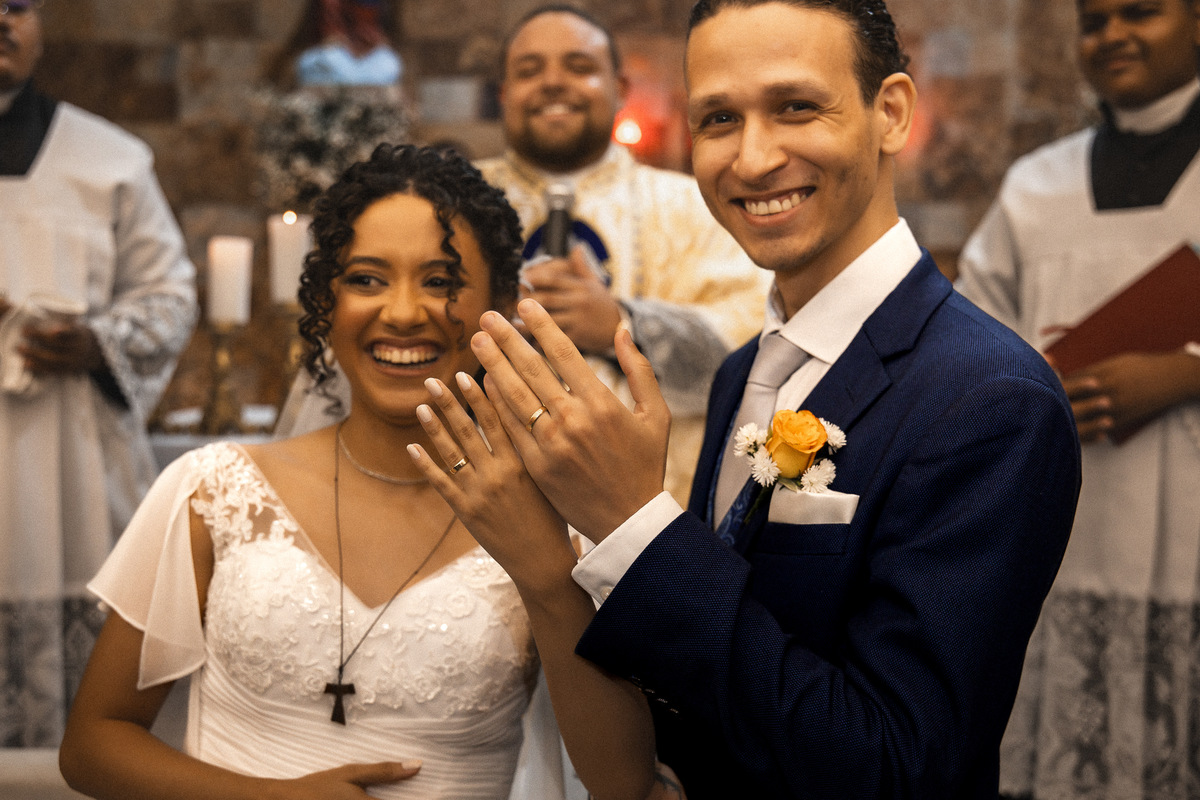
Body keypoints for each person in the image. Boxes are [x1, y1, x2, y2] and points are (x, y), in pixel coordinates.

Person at [409, 1, 1083, 798]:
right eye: (719, 119)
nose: (753, 159)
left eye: (796, 107)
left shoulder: (991, 401)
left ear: (891, 113)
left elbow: (896, 768)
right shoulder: (741, 374)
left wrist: (635, 524)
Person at [59, 143, 680, 800]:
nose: (403, 313)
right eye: (366, 279)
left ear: (501, 303)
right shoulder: (210, 490)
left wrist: (547, 574)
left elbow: (622, 785)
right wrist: (273, 798)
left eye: (440, 281)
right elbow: (93, 743)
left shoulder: (563, 520)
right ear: (325, 301)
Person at [276, 4, 769, 505]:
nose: (553, 83)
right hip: (456, 506)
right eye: (530, 71)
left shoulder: (694, 208)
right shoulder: (439, 204)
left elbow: (754, 351)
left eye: (578, 67)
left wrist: (622, 323)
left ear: (620, 88)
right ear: (504, 94)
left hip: (655, 510)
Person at [955, 1, 1200, 796]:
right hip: (1072, 511)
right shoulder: (1037, 185)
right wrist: (1028, 385)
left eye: (1140, 12)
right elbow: (975, 330)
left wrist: (1185, 371)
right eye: (1094, 21)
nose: (1112, 34)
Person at [0, 0, 197, 747]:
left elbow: (170, 296)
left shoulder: (110, 158)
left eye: (17, 4)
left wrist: (95, 341)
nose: (3, 20)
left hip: (72, 462)